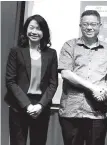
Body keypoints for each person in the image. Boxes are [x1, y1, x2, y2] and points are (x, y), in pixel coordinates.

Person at [58, 10, 107, 145]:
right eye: (85, 24)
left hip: (97, 111)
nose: (89, 27)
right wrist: (93, 88)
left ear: (100, 26)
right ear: (80, 26)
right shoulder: (70, 45)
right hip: (71, 110)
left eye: (93, 24)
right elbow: (66, 73)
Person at [5, 14, 58, 145]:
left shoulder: (51, 53)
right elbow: (10, 81)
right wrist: (27, 105)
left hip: (41, 106)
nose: (34, 32)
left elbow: (53, 83)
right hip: (19, 105)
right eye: (31, 28)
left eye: (38, 28)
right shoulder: (16, 51)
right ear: (26, 30)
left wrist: (40, 105)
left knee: (39, 142)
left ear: (43, 32)